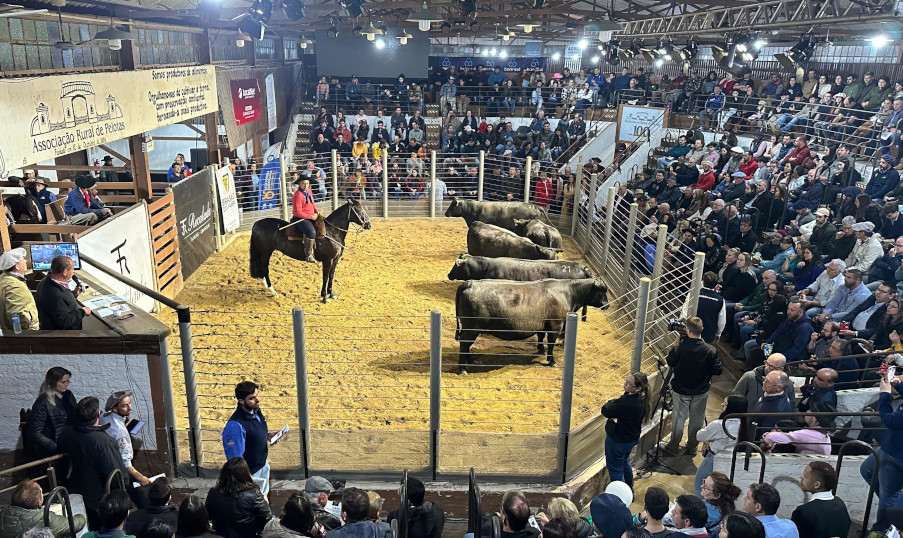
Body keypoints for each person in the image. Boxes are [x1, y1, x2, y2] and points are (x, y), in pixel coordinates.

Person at [56, 396, 129, 530]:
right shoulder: (103, 442)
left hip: (73, 494)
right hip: (98, 502)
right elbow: (118, 478)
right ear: (98, 414)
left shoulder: (65, 433)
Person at [662, 317, 722, 456]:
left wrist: (674, 346)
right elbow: (718, 370)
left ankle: (673, 447)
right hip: (700, 390)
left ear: (688, 330)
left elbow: (670, 362)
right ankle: (692, 446)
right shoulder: (710, 350)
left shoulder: (680, 347)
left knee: (679, 419)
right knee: (697, 419)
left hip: (681, 389)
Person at [859, 372, 903, 531]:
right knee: (867, 470)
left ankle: (880, 530)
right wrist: (898, 385)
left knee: (889, 496)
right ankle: (893, 510)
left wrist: (885, 395)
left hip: (897, 454)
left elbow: (890, 419)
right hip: (890, 446)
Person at [223, 381, 279, 496]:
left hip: (263, 465)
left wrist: (267, 436)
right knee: (252, 503)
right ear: (241, 401)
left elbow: (253, 433)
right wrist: (245, 479)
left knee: (263, 498)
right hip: (250, 474)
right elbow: (235, 459)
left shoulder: (256, 411)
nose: (257, 400)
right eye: (252, 398)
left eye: (257, 396)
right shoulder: (235, 426)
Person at [601, 372, 649, 487]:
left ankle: (620, 496)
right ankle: (629, 486)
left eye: (629, 384)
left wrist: (612, 401)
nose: (625, 384)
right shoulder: (642, 399)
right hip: (631, 438)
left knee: (615, 469)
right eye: (626, 380)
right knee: (624, 462)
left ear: (638, 388)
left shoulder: (625, 402)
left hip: (618, 441)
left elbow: (606, 410)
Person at [694, 396, 747, 496]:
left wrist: (709, 439)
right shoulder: (742, 423)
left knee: (700, 485)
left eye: (725, 404)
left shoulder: (720, 424)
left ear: (732, 408)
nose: (721, 405)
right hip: (730, 457)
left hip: (713, 458)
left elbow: (700, 436)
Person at [206, 458, 272, 538]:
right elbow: (267, 520)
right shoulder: (254, 494)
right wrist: (265, 500)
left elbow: (209, 515)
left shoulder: (213, 492)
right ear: (245, 474)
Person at [0, 479, 87, 538]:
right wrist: (80, 516)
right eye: (41, 493)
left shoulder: (2, 514)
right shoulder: (45, 518)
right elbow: (76, 524)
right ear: (39, 503)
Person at [99, 389, 151, 487]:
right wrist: (140, 477)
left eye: (129, 403)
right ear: (114, 409)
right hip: (118, 468)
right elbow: (125, 461)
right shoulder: (120, 431)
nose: (130, 408)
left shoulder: (104, 416)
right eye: (124, 406)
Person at [790, 462, 851, 538]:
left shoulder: (803, 512)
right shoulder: (840, 504)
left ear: (817, 485)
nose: (801, 477)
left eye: (805, 476)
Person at [26, 367, 76, 459]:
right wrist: (55, 447)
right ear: (53, 382)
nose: (66, 384)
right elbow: (36, 433)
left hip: (69, 445)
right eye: (63, 382)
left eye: (67, 381)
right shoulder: (43, 402)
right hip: (53, 450)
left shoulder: (68, 396)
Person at [36, 255, 90, 330]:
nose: (73, 272)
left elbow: (60, 306)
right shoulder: (57, 294)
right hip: (64, 337)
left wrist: (74, 294)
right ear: (65, 272)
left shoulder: (43, 282)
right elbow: (64, 321)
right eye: (72, 269)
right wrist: (83, 311)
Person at [0, 247, 38, 331]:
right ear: (17, 266)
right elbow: (19, 315)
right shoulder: (16, 286)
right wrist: (30, 331)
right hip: (26, 334)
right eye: (23, 259)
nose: (26, 261)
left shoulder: (3, 278)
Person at [750, 371, 793, 440]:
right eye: (764, 379)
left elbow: (764, 433)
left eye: (768, 382)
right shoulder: (771, 395)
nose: (764, 383)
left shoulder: (777, 410)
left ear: (779, 388)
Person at [291, 176, 319, 263]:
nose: (305, 185)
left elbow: (312, 203)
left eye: (307, 183)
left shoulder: (309, 191)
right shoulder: (298, 196)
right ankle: (308, 255)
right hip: (300, 218)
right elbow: (298, 212)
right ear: (299, 184)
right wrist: (310, 217)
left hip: (311, 215)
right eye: (303, 183)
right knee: (311, 232)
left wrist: (316, 212)